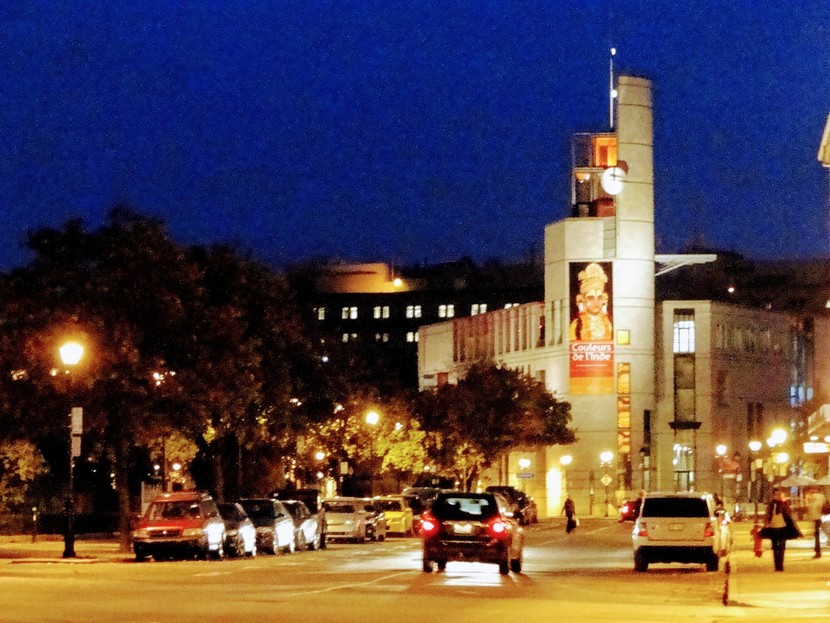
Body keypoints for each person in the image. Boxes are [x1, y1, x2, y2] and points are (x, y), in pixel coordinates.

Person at [568, 263, 613, 342]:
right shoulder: (576, 326)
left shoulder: (610, 324)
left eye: (599, 297)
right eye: (591, 298)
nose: (596, 302)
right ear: (583, 300)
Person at [763, 488, 801, 571]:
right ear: (773, 495)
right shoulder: (771, 505)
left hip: (783, 527)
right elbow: (767, 515)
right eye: (776, 494)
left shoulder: (783, 504)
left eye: (778, 494)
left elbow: (789, 514)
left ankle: (780, 566)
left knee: (781, 547)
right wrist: (766, 523)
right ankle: (776, 566)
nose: (777, 496)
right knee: (775, 547)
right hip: (773, 528)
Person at [804, 486, 826, 559]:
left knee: (816, 535)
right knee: (817, 535)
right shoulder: (822, 496)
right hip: (820, 517)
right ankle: (817, 550)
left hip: (814, 518)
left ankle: (817, 551)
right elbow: (822, 505)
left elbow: (808, 507)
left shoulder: (808, 497)